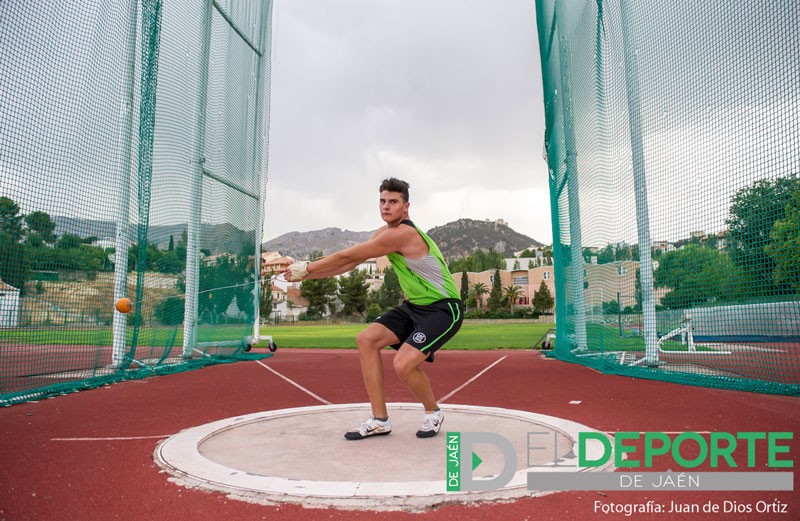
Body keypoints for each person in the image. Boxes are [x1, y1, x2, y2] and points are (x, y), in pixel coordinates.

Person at [283, 178, 464, 440]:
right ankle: (380, 420)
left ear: (406, 207)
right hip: (414, 307)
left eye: (393, 202)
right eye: (382, 201)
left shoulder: (403, 234)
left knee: (403, 364)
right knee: (367, 340)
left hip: (443, 309)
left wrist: (308, 267)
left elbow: (345, 256)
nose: (386, 207)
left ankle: (433, 412)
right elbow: (350, 262)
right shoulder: (382, 234)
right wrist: (304, 276)